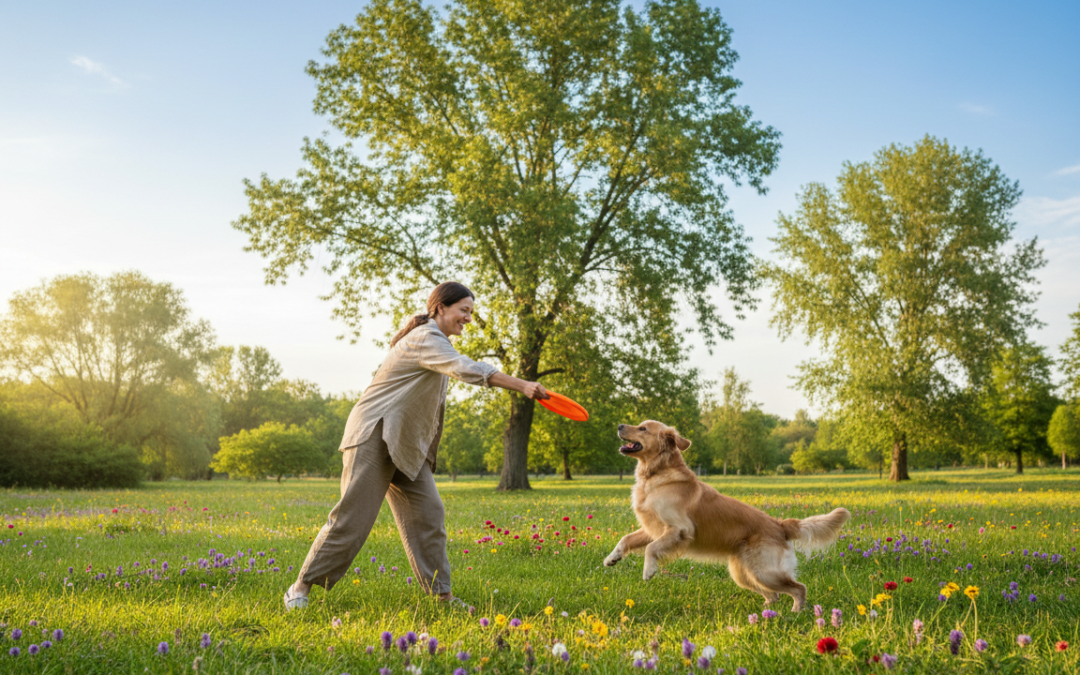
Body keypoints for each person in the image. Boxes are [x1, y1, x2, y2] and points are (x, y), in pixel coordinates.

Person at [283, 282, 548, 611]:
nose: (468, 318)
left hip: (405, 445)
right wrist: (521, 384)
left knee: (429, 514)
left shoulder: (438, 344)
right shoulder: (426, 337)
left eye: (471, 312)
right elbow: (465, 368)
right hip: (374, 434)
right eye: (463, 310)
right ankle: (300, 587)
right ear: (440, 308)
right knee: (353, 517)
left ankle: (442, 597)